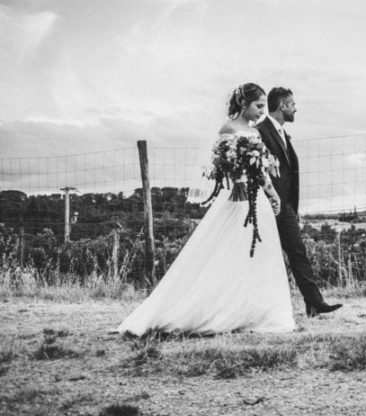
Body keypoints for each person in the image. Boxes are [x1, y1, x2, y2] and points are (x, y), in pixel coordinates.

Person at [117, 83, 296, 336]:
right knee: (230, 252)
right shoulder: (229, 130)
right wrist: (237, 175)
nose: (261, 112)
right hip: (237, 198)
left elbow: (261, 169)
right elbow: (223, 167)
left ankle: (258, 311)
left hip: (257, 199)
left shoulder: (255, 133)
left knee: (261, 254)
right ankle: (220, 308)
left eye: (263, 107)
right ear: (243, 105)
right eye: (258, 106)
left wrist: (272, 193)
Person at [257, 86, 343, 317]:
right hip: (266, 206)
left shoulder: (283, 133)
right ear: (282, 106)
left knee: (298, 252)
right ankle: (260, 307)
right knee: (263, 256)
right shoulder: (259, 131)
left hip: (285, 207)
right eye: (293, 104)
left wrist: (290, 206)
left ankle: (314, 303)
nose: (296, 108)